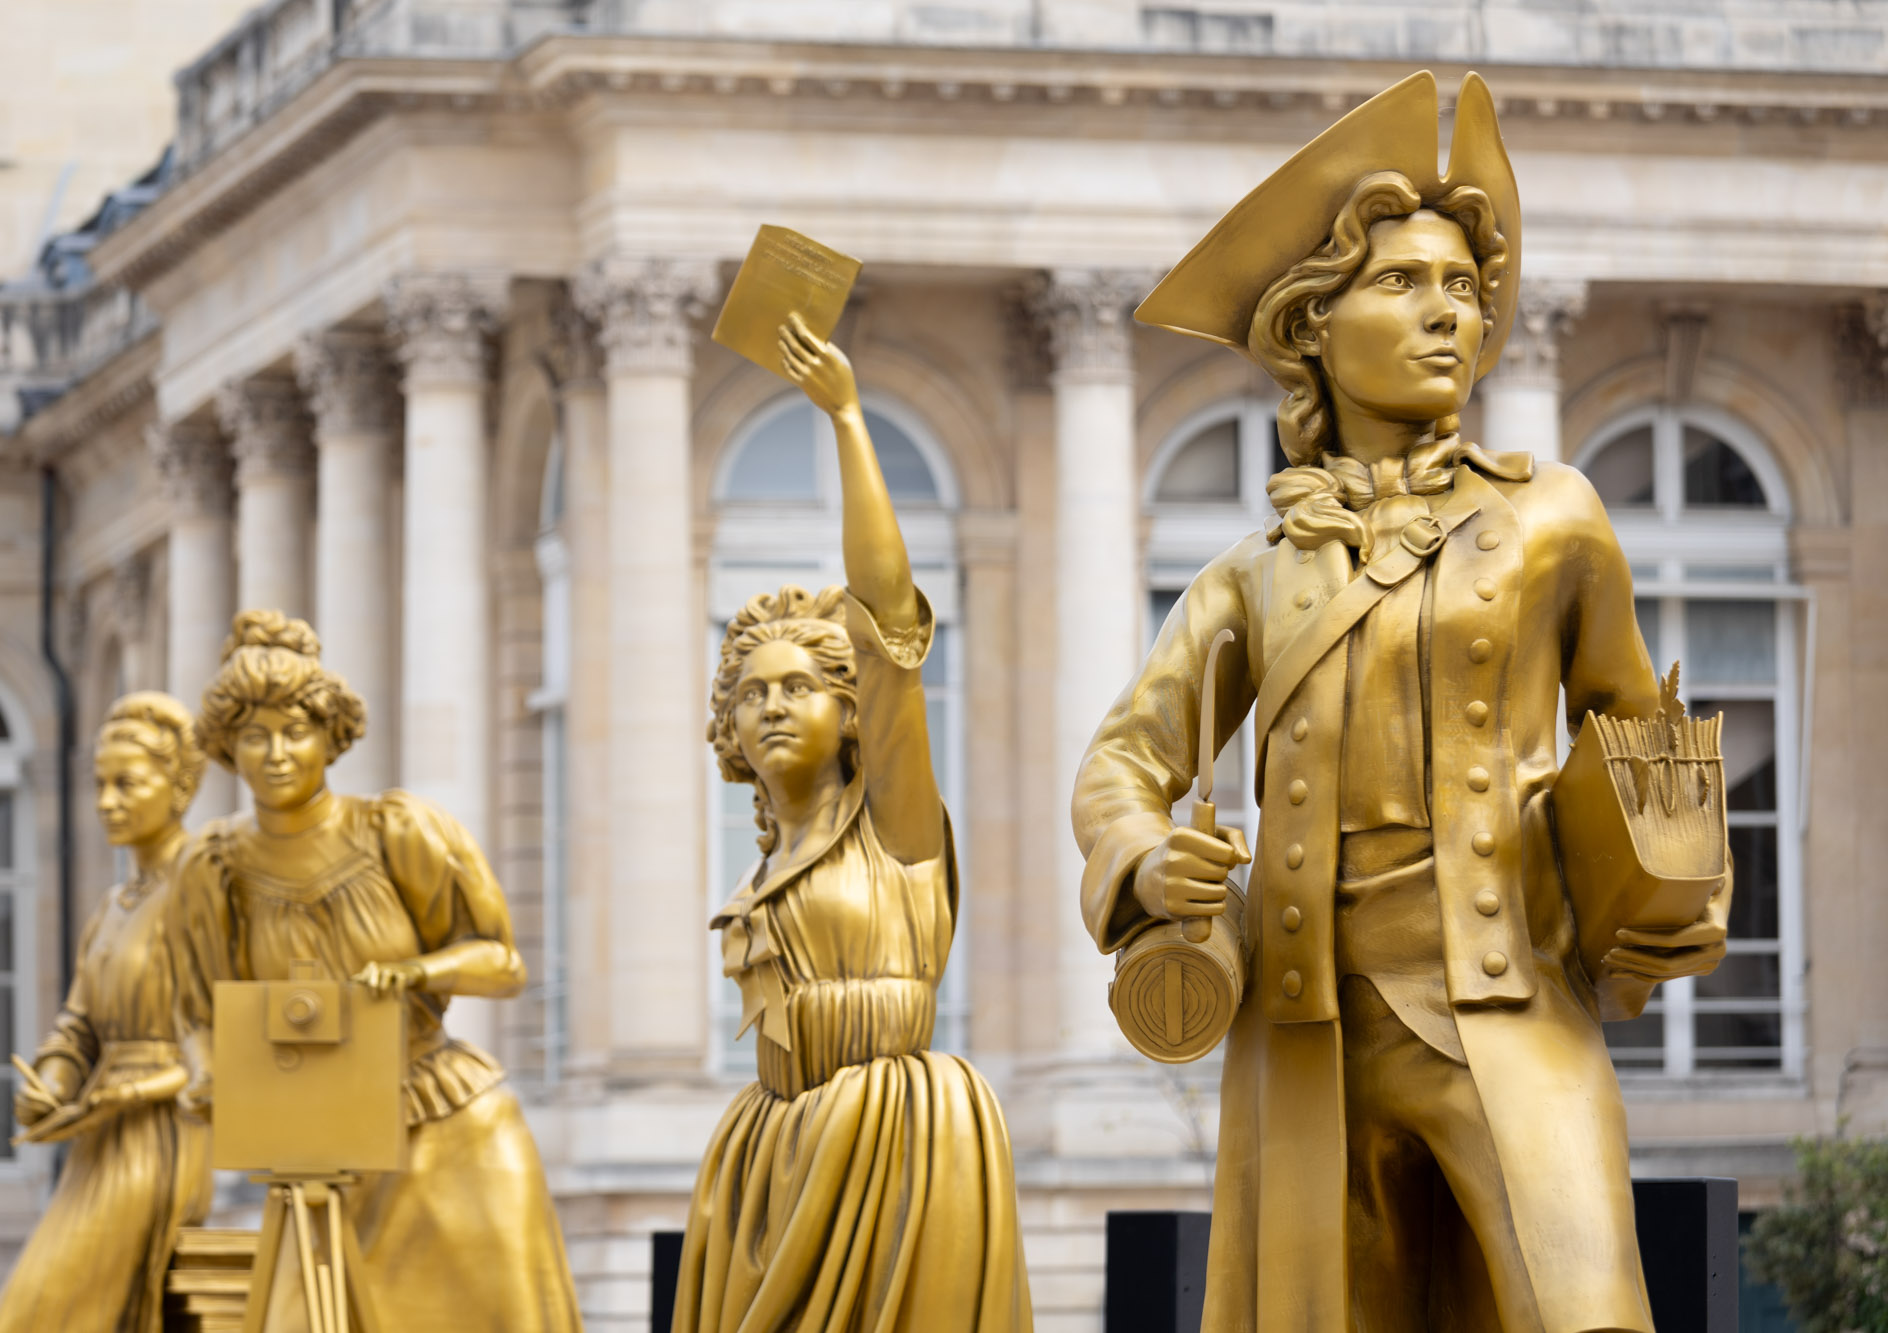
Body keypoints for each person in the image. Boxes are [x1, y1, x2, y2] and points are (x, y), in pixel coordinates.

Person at [1072, 72, 1729, 1332]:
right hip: (1305, 1022)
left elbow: (1642, 741)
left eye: (1465, 290)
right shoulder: (1250, 579)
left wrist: (1680, 892)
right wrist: (1150, 863)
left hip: (1510, 995)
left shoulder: (1553, 519)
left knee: (1584, 1308)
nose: (1451, 315)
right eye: (1403, 284)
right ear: (1309, 326)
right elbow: (1120, 765)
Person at [674, 314, 1032, 1333]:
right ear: (729, 730)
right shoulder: (762, 871)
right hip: (769, 1143)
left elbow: (884, 617)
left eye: (798, 686)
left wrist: (844, 418)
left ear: (849, 715)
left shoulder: (896, 826)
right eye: (749, 692)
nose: (771, 704)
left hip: (895, 1132)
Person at [169, 611, 580, 1332]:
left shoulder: (400, 830)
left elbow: (501, 961)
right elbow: (202, 1008)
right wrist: (208, 1074)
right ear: (227, 747)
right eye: (254, 736)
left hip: (443, 1114)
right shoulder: (214, 865)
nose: (275, 753)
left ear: (332, 736)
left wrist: (416, 971)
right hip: (313, 1136)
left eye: (295, 731)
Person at [0, 693, 212, 1333]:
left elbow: (225, 1044)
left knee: (36, 1314)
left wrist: (128, 1094)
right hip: (100, 1137)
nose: (106, 801)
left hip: (166, 1136)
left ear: (181, 785)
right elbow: (77, 1025)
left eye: (126, 784)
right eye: (100, 784)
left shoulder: (204, 891)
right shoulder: (113, 906)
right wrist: (52, 1083)